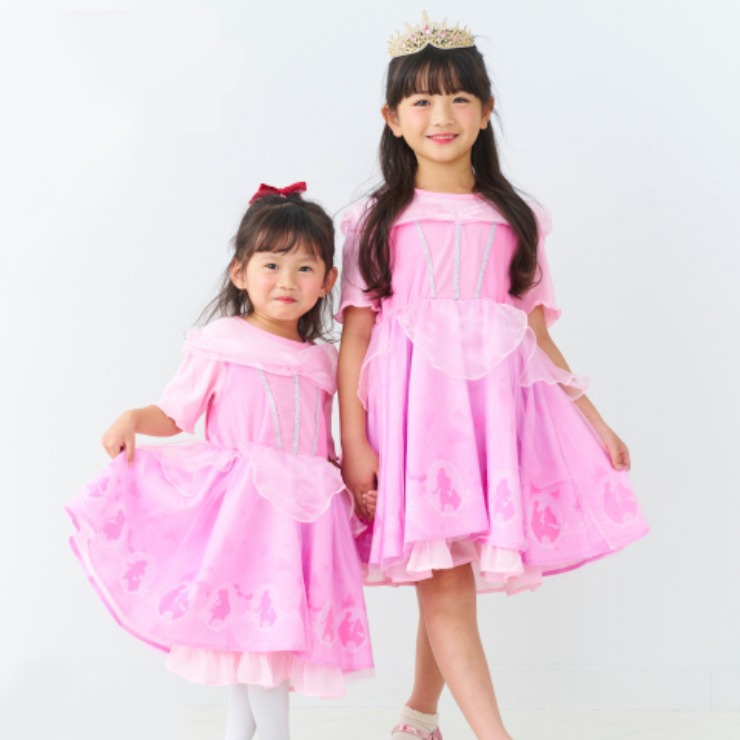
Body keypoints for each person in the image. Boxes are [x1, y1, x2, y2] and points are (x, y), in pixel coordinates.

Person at [337, 14, 648, 740]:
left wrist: (595, 421)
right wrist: (354, 444)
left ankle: (418, 718)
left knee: (449, 575)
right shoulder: (373, 221)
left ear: (486, 110)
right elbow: (355, 339)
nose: (441, 116)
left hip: (492, 420)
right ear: (392, 118)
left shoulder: (517, 218)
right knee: (445, 583)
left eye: (458, 98)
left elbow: (536, 334)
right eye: (421, 101)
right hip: (414, 426)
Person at [66, 183, 373, 740]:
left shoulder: (325, 361)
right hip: (242, 517)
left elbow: (324, 443)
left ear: (329, 281)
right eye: (272, 265)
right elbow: (176, 413)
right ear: (240, 273)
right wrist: (134, 417)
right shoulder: (223, 342)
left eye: (305, 268)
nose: (287, 281)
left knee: (265, 639)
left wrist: (352, 483)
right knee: (254, 640)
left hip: (300, 519)